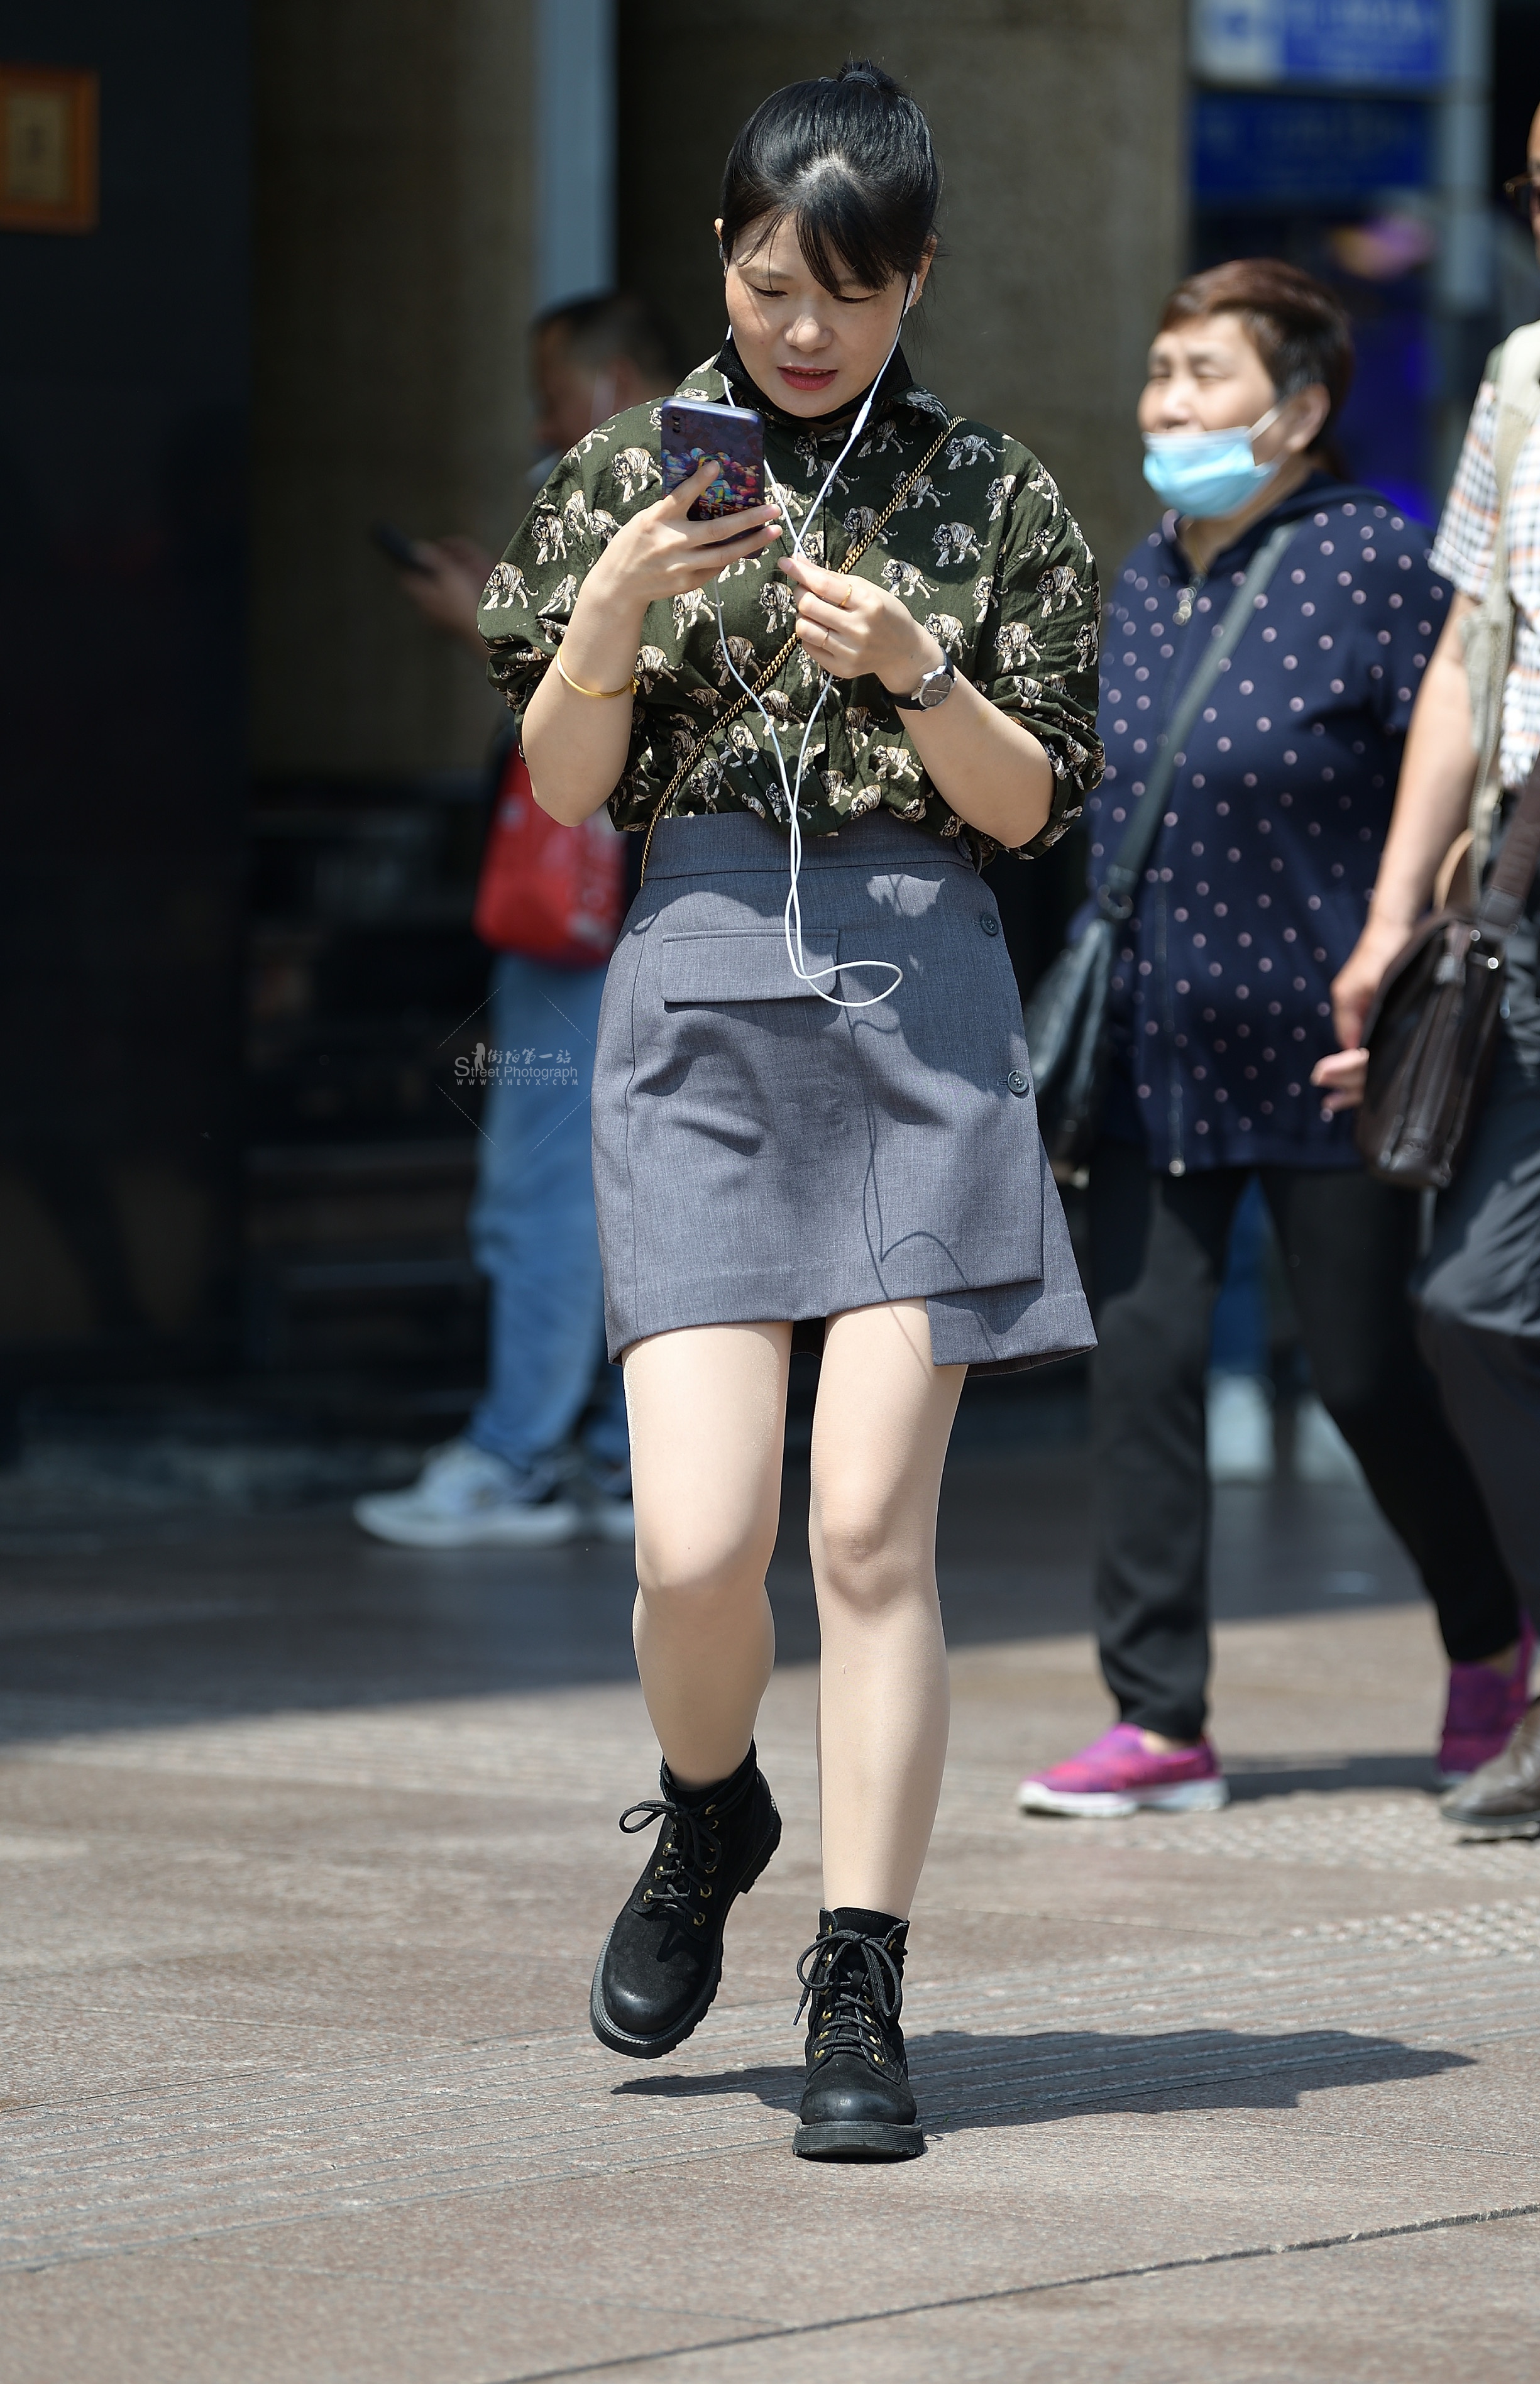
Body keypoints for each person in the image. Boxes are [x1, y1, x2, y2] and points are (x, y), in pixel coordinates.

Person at [481, 61, 1101, 2158]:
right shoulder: (617, 482)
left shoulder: (991, 493)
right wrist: (613, 607)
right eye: (766, 282)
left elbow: (1030, 806)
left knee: (861, 1534)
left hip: (922, 1011)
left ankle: (862, 1975)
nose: (803, 325)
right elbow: (568, 785)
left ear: (917, 276)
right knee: (695, 1546)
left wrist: (922, 668)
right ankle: (710, 1812)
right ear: (721, 267)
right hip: (697, 1010)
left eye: (847, 286)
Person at [1016, 260, 1531, 1823]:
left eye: (1207, 377)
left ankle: (1487, 1639)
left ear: (1298, 411)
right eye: (1160, 371)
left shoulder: (1371, 564)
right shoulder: (1135, 579)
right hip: (1155, 1049)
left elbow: (1452, 778)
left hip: (1333, 1051)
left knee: (1369, 1377)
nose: (1169, 405)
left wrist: (1411, 972)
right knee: (1142, 1374)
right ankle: (1155, 1717)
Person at [355, 294, 682, 1549]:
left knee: (543, 1183)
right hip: (655, 897)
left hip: (597, 904)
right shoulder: (702, 493)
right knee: (628, 1190)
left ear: (614, 382)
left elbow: (603, 693)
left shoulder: (644, 495)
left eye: (554, 396)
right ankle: (612, 1456)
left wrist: (478, 620)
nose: (543, 426)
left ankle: (519, 1455)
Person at [1325, 109, 1540, 1838]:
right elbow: (1474, 648)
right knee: (1472, 1299)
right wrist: (1398, 907)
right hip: (1523, 892)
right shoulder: (1523, 379)